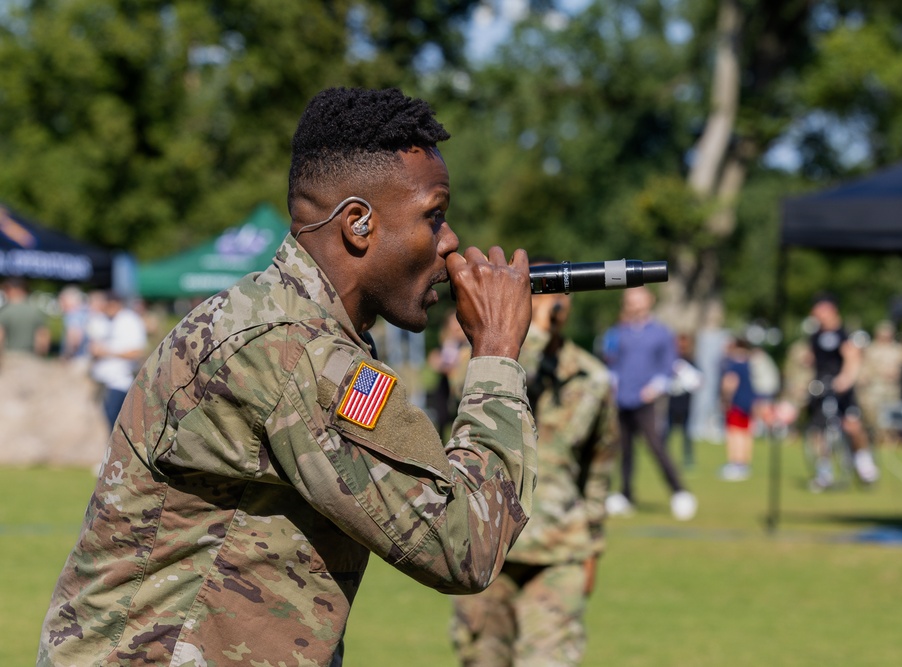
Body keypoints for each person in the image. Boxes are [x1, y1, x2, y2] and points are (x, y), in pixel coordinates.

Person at [38, 87, 538, 667]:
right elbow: (464, 544)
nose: (450, 242)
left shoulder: (286, 326)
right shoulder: (295, 354)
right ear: (358, 224)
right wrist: (498, 352)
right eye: (434, 215)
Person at [450, 261, 617, 667]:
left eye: (558, 294)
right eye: (538, 293)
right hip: (490, 542)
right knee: (483, 657)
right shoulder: (482, 368)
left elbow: (598, 472)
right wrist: (530, 331)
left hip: (559, 548)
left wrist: (593, 546)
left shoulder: (591, 379)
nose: (550, 304)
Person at [600, 286, 696, 520]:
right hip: (622, 398)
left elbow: (668, 365)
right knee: (624, 449)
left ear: (649, 300)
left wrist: (655, 387)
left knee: (656, 446)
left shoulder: (661, 333)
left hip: (646, 399)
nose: (633, 303)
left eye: (638, 298)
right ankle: (625, 495)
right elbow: (611, 362)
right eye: (629, 299)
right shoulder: (618, 332)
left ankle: (680, 492)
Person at [804, 293, 879, 489]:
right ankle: (824, 472)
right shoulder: (815, 335)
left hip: (842, 388)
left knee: (852, 425)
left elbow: (852, 360)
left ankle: (864, 465)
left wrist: (845, 380)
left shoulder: (844, 334)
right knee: (819, 430)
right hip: (821, 387)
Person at [88, 291, 149, 430]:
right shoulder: (99, 319)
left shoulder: (130, 320)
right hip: (99, 380)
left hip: (121, 380)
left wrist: (107, 352)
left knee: (114, 420)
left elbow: (137, 352)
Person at [857, 320, 902, 446]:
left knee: (893, 413)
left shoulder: (898, 349)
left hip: (893, 387)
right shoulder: (871, 349)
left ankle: (892, 438)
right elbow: (864, 367)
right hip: (876, 387)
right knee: (875, 414)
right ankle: (879, 437)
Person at [718, 336, 758, 481]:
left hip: (736, 404)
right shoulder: (749, 363)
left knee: (734, 433)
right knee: (746, 433)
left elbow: (730, 383)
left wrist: (725, 399)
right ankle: (744, 464)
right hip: (749, 403)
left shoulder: (734, 364)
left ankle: (736, 463)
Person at [427, 308, 469, 436]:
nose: (456, 327)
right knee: (442, 417)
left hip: (460, 388)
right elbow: (434, 359)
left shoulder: (468, 345)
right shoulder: (448, 344)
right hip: (445, 387)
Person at [663, 332, 702, 469]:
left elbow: (698, 380)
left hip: (686, 404)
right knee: (667, 431)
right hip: (672, 402)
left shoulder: (691, 361)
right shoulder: (671, 360)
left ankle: (688, 459)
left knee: (687, 433)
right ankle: (662, 457)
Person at [0, 276, 50, 360]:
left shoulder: (5, 312)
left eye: (6, 289)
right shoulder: (36, 311)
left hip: (10, 359)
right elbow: (44, 340)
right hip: (31, 358)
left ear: (14, 289)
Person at [56, 285, 91, 367]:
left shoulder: (73, 314)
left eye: (62, 300)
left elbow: (74, 337)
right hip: (85, 358)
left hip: (76, 360)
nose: (60, 303)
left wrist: (66, 356)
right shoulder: (84, 312)